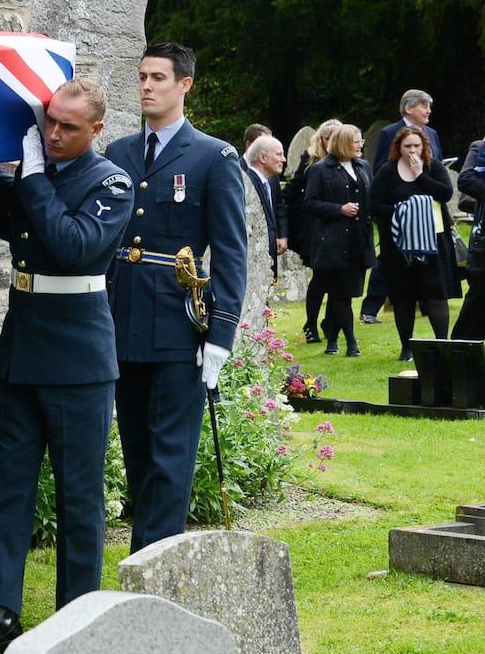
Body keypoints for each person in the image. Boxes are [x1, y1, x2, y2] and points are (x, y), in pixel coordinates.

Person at [0, 78, 133, 654]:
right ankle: (1, 611)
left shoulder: (111, 182)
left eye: (68, 127)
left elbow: (71, 243)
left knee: (78, 496)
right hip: (25, 347)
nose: (52, 134)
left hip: (78, 358)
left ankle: (76, 614)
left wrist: (28, 176)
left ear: (96, 131)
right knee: (12, 487)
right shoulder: (40, 174)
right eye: (48, 121)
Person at [105, 42, 247, 555]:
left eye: (158, 78)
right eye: (142, 76)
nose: (146, 86)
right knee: (137, 449)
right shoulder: (119, 153)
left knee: (170, 453)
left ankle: (153, 563)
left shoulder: (214, 156)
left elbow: (231, 250)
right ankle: (146, 554)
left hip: (177, 321)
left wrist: (222, 335)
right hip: (122, 317)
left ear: (184, 85)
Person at [369, 126, 459, 361]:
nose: (411, 150)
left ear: (424, 147)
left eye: (416, 146)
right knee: (403, 297)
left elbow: (445, 193)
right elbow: (374, 204)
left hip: (433, 243)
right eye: (407, 146)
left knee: (436, 295)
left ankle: (443, 344)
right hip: (398, 245)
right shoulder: (387, 171)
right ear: (398, 147)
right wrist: (404, 212)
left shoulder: (433, 167)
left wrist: (421, 176)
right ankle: (406, 347)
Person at [362, 90, 444, 324]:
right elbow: (381, 170)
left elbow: (438, 174)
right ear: (409, 108)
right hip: (399, 218)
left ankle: (428, 308)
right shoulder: (390, 133)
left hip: (429, 219)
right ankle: (371, 307)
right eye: (424, 106)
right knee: (391, 268)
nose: (428, 111)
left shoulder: (432, 133)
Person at [301, 124, 375, 357]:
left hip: (358, 239)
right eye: (355, 141)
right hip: (333, 241)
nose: (360, 145)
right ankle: (351, 342)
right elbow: (310, 203)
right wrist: (339, 209)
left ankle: (332, 339)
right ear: (343, 143)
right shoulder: (321, 169)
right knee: (339, 293)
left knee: (346, 293)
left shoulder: (362, 166)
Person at [282, 119, 341, 342]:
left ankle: (330, 322)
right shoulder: (310, 159)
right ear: (321, 139)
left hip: (338, 225)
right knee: (320, 277)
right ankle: (311, 323)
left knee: (337, 279)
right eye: (327, 138)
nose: (331, 142)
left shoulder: (350, 162)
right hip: (314, 226)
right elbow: (295, 188)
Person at [451, 138, 485, 340]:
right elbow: (465, 180)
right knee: (478, 298)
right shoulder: (480, 147)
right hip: (483, 240)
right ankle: (460, 351)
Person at [243, 134, 287, 278]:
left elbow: (278, 207)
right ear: (263, 158)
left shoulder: (272, 180)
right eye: (279, 154)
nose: (283, 159)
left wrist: (281, 235)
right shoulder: (247, 183)